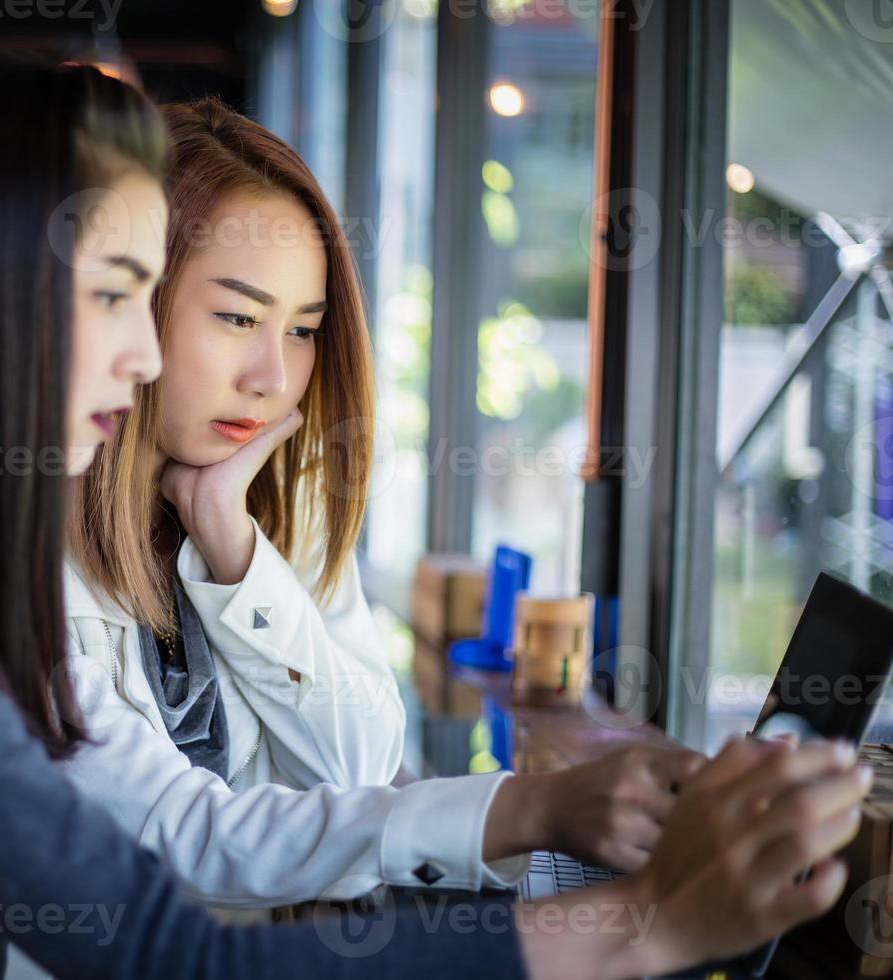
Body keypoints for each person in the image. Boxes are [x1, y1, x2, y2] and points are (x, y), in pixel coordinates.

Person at [0, 41, 867, 980]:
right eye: (120, 293)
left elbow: (345, 778)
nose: (155, 356)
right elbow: (164, 943)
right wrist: (639, 930)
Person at [57, 97, 703, 910]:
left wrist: (233, 546)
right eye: (236, 317)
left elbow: (361, 765)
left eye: (302, 330)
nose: (270, 376)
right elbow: (182, 842)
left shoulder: (277, 509)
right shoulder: (17, 549)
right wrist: (531, 808)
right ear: (134, 300)